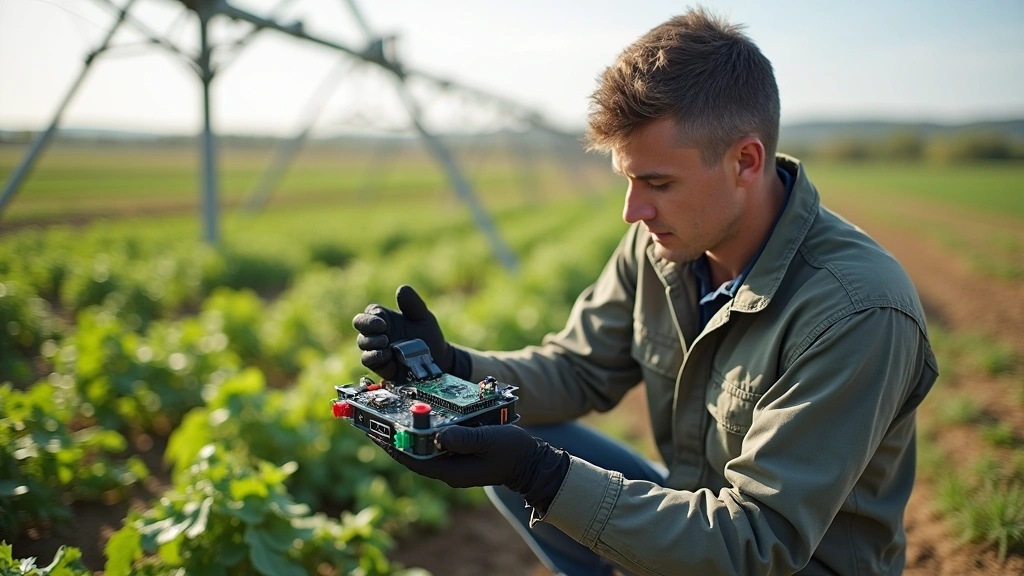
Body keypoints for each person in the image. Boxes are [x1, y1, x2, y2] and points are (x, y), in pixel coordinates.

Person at [353, 7, 938, 576]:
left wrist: (544, 477)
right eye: (629, 180)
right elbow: (578, 369)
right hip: (698, 515)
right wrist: (453, 369)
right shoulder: (663, 246)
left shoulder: (856, 308)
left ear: (745, 161)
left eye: (658, 182)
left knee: (536, 462)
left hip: (776, 558)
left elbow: (759, 541)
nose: (634, 211)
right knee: (507, 424)